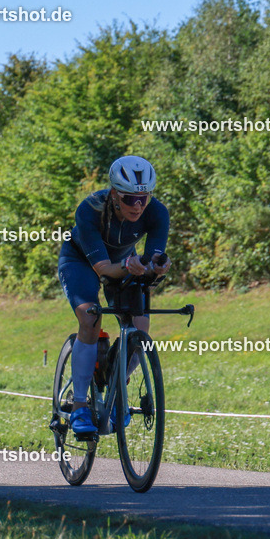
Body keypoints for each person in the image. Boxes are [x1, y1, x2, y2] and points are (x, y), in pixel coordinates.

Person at [57, 155, 172, 438]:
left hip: (122, 261)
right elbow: (104, 269)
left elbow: (153, 258)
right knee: (89, 317)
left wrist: (156, 268)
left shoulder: (157, 213)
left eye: (143, 199)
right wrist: (128, 266)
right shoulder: (90, 210)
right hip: (81, 261)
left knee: (140, 326)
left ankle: (118, 379)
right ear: (113, 194)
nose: (137, 206)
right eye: (129, 198)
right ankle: (81, 404)